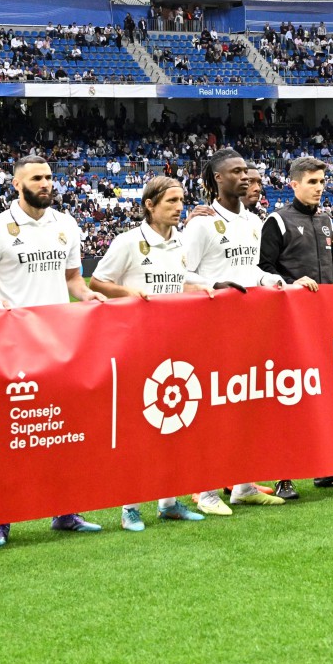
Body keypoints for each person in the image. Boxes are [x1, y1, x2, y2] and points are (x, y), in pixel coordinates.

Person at [0, 156, 107, 545]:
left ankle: (65, 512)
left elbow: (74, 280)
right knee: (11, 436)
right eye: (36, 178)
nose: (46, 183)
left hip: (61, 342)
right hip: (13, 343)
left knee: (61, 431)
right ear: (16, 183)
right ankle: (0, 519)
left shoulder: (66, 224)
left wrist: (87, 295)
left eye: (48, 177)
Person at [90, 175, 211, 528]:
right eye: (171, 201)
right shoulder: (128, 242)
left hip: (174, 344)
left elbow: (178, 281)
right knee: (136, 429)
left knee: (175, 424)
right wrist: (131, 297)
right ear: (150, 205)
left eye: (181, 200)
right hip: (134, 345)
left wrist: (202, 288)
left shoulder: (182, 243)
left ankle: (169, 502)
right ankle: (129, 507)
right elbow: (97, 281)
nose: (179, 207)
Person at [183, 149, 297, 508]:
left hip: (250, 328)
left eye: (247, 171)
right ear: (218, 178)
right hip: (212, 329)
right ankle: (206, 490)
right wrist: (214, 287)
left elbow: (253, 272)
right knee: (213, 413)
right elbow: (181, 275)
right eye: (236, 172)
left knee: (246, 407)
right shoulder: (201, 223)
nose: (245, 177)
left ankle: (244, 486)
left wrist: (277, 281)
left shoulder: (252, 221)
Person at [259, 156, 333, 489]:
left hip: (323, 324)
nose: (319, 188)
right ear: (293, 184)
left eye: (322, 182)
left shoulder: (325, 219)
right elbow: (262, 270)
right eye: (312, 182)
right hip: (289, 327)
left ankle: (329, 471)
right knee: (290, 403)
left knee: (327, 399)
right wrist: (290, 286)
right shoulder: (277, 221)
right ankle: (284, 477)